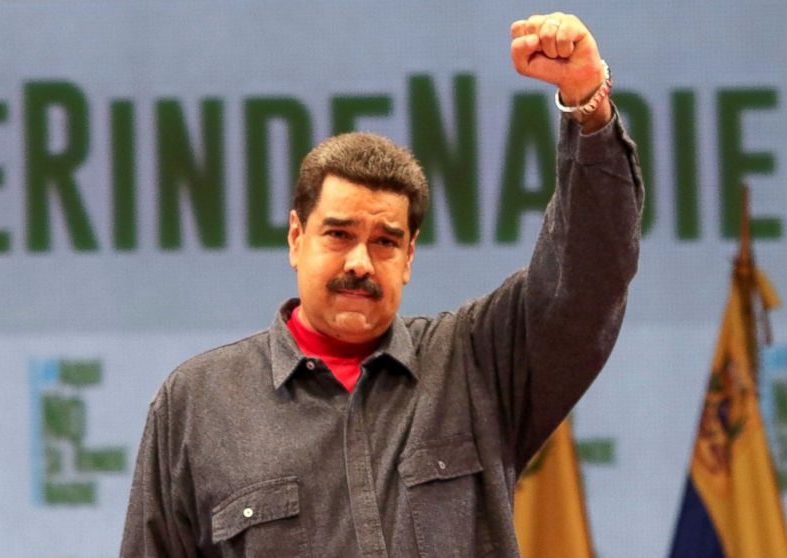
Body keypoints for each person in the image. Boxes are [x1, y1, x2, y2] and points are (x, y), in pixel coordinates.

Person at [120, 11, 643, 558]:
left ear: (409, 255)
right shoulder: (199, 404)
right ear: (296, 238)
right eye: (339, 235)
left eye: (384, 242)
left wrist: (589, 106)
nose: (361, 263)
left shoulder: (475, 363)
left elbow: (590, 273)